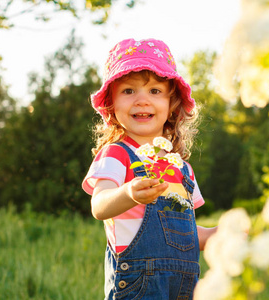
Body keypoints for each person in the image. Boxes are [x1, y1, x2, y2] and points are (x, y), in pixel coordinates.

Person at [82, 38, 217, 300]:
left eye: (155, 91)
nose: (142, 100)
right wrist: (128, 193)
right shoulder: (117, 154)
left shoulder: (181, 167)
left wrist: (214, 236)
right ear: (111, 102)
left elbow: (182, 233)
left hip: (184, 288)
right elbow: (99, 206)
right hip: (138, 286)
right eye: (129, 91)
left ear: (171, 104)